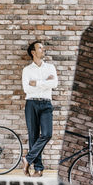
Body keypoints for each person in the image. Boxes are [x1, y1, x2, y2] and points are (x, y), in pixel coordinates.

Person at [21, 41, 58, 177]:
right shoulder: (27, 70)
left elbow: (54, 84)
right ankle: (38, 169)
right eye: (40, 48)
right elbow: (26, 88)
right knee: (33, 136)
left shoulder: (50, 67)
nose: (44, 49)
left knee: (47, 134)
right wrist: (45, 82)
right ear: (33, 52)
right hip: (31, 104)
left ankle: (27, 159)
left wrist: (36, 83)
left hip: (46, 104)